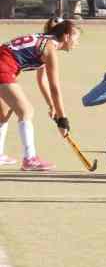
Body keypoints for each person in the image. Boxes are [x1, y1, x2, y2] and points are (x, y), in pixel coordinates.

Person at [0, 18, 81, 170]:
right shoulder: (50, 48)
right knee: (26, 111)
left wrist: (52, 107)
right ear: (66, 36)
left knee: (4, 112)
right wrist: (63, 119)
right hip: (3, 68)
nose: (77, 43)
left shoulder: (45, 41)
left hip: (4, 66)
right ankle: (30, 158)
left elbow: (42, 80)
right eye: (76, 38)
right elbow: (54, 87)